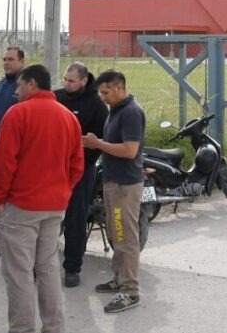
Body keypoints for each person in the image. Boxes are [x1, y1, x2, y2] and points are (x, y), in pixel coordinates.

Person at [0, 65, 84, 332]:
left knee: (19, 273)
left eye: (19, 86)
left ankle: (22, 328)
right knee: (49, 270)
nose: (16, 92)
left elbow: (3, 163)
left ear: (32, 84)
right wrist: (63, 191)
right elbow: (77, 165)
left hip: (21, 206)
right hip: (54, 206)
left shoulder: (18, 114)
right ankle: (54, 327)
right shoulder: (68, 117)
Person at [81, 70, 145, 313]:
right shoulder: (116, 110)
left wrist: (98, 144)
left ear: (119, 88)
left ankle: (130, 291)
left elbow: (129, 150)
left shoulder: (130, 113)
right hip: (113, 183)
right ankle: (119, 279)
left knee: (126, 238)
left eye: (106, 92)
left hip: (124, 186)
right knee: (116, 234)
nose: (103, 97)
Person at [55, 62, 108, 287]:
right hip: (52, 169)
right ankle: (40, 264)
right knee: (47, 217)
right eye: (65, 79)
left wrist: (79, 167)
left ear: (84, 81)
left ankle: (72, 267)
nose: (67, 84)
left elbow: (97, 145)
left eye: (72, 81)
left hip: (81, 171)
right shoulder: (55, 97)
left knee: (76, 219)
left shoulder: (96, 105)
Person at [0, 46, 24, 258]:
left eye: (11, 59)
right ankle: (4, 243)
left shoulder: (24, 87)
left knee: (17, 203)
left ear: (21, 62)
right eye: (4, 59)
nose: (7, 63)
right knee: (0, 200)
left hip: (18, 155)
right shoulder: (0, 85)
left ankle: (18, 247)